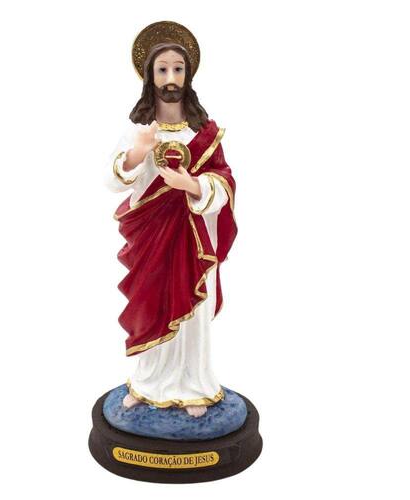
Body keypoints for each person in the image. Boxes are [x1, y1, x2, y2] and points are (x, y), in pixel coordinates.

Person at [105, 28, 237, 418]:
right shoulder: (139, 130)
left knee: (192, 312)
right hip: (152, 238)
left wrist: (191, 186)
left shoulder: (204, 133)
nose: (171, 78)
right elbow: (112, 179)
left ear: (188, 75)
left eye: (178, 69)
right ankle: (147, 383)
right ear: (150, 76)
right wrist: (137, 153)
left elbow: (225, 181)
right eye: (162, 70)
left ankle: (195, 385)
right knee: (153, 302)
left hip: (192, 239)